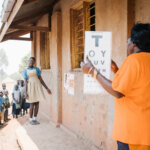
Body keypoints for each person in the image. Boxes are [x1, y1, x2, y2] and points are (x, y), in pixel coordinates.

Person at [81, 23, 150, 150]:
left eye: (129, 38)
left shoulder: (133, 60)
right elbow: (138, 85)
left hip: (132, 133)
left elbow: (117, 91)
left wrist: (92, 71)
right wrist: (117, 70)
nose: (127, 41)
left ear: (134, 43)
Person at [22, 57, 52, 125]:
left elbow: (41, 80)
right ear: (28, 62)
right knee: (32, 104)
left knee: (37, 103)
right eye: (30, 61)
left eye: (32, 61)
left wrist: (47, 88)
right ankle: (30, 119)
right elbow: (25, 82)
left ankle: (34, 119)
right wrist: (26, 92)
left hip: (37, 86)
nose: (31, 62)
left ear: (34, 62)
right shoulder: (25, 70)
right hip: (31, 87)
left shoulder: (37, 69)